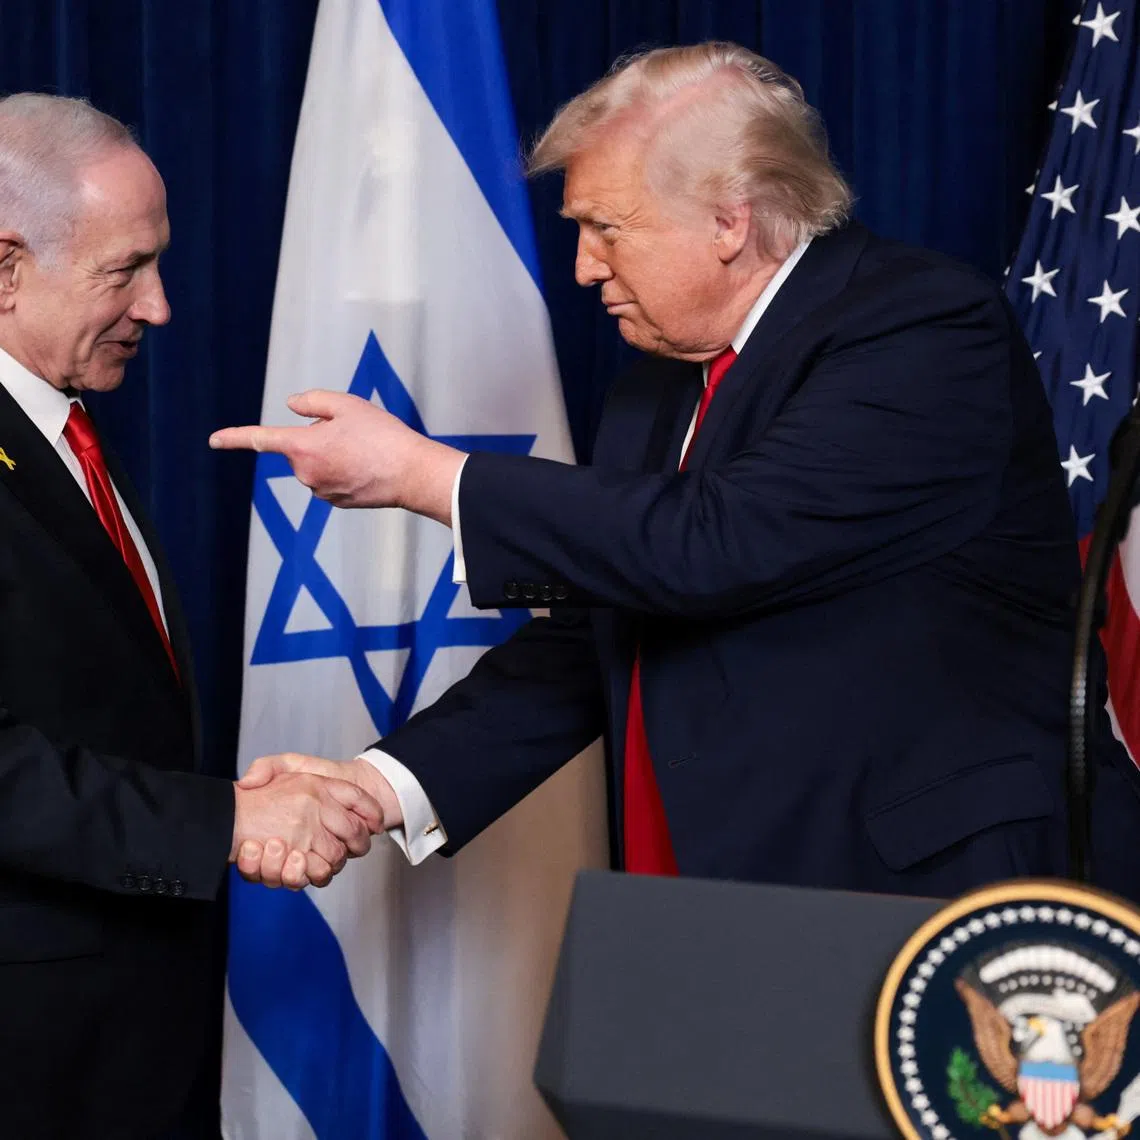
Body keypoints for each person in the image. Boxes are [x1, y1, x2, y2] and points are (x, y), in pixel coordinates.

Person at [213, 43, 1107, 897]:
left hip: (895, 891)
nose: (582, 267)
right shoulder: (657, 385)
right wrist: (379, 788)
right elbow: (598, 633)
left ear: (730, 220)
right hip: (688, 897)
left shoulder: (919, 327)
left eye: (606, 229)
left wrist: (424, 475)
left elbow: (720, 544)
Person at [0, 94, 383, 1140]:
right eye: (126, 270)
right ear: (4, 270)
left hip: (128, 1036)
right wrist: (224, 820)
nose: (160, 306)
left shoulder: (58, 423)